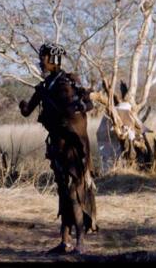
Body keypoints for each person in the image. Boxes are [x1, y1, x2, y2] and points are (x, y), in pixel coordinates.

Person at [19, 43, 98, 255]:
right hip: (58, 147)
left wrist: (69, 113)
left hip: (74, 147)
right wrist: (23, 106)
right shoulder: (45, 86)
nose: (40, 61)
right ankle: (65, 241)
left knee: (74, 193)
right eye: (40, 57)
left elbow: (81, 109)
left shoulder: (67, 83)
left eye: (43, 57)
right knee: (63, 192)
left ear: (53, 59)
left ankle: (80, 242)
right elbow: (27, 111)